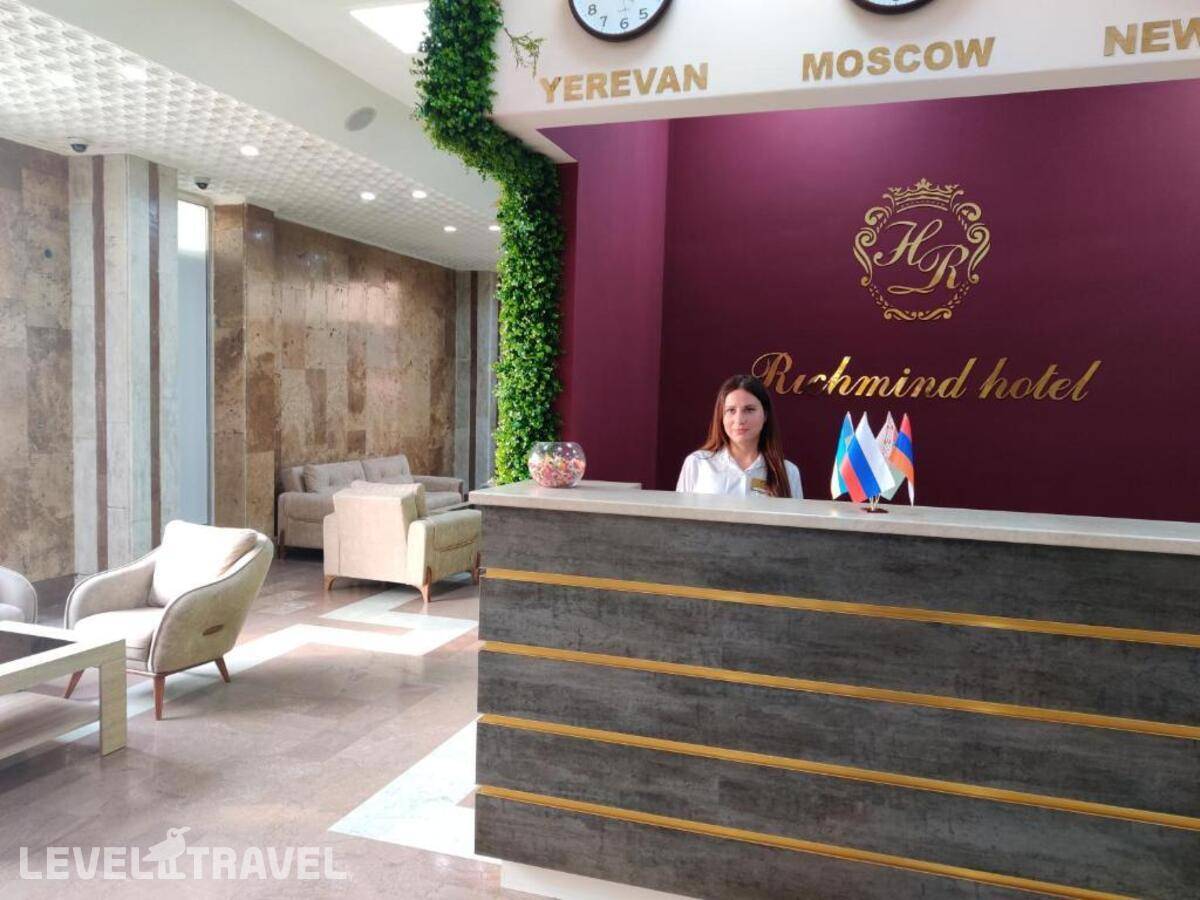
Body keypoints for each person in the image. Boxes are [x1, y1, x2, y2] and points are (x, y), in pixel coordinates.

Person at [676, 374, 803, 499]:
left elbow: (795, 514)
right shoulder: (697, 463)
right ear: (721, 416)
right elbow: (680, 512)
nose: (739, 420)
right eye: (731, 410)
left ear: (765, 415)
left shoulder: (788, 472)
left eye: (749, 409)